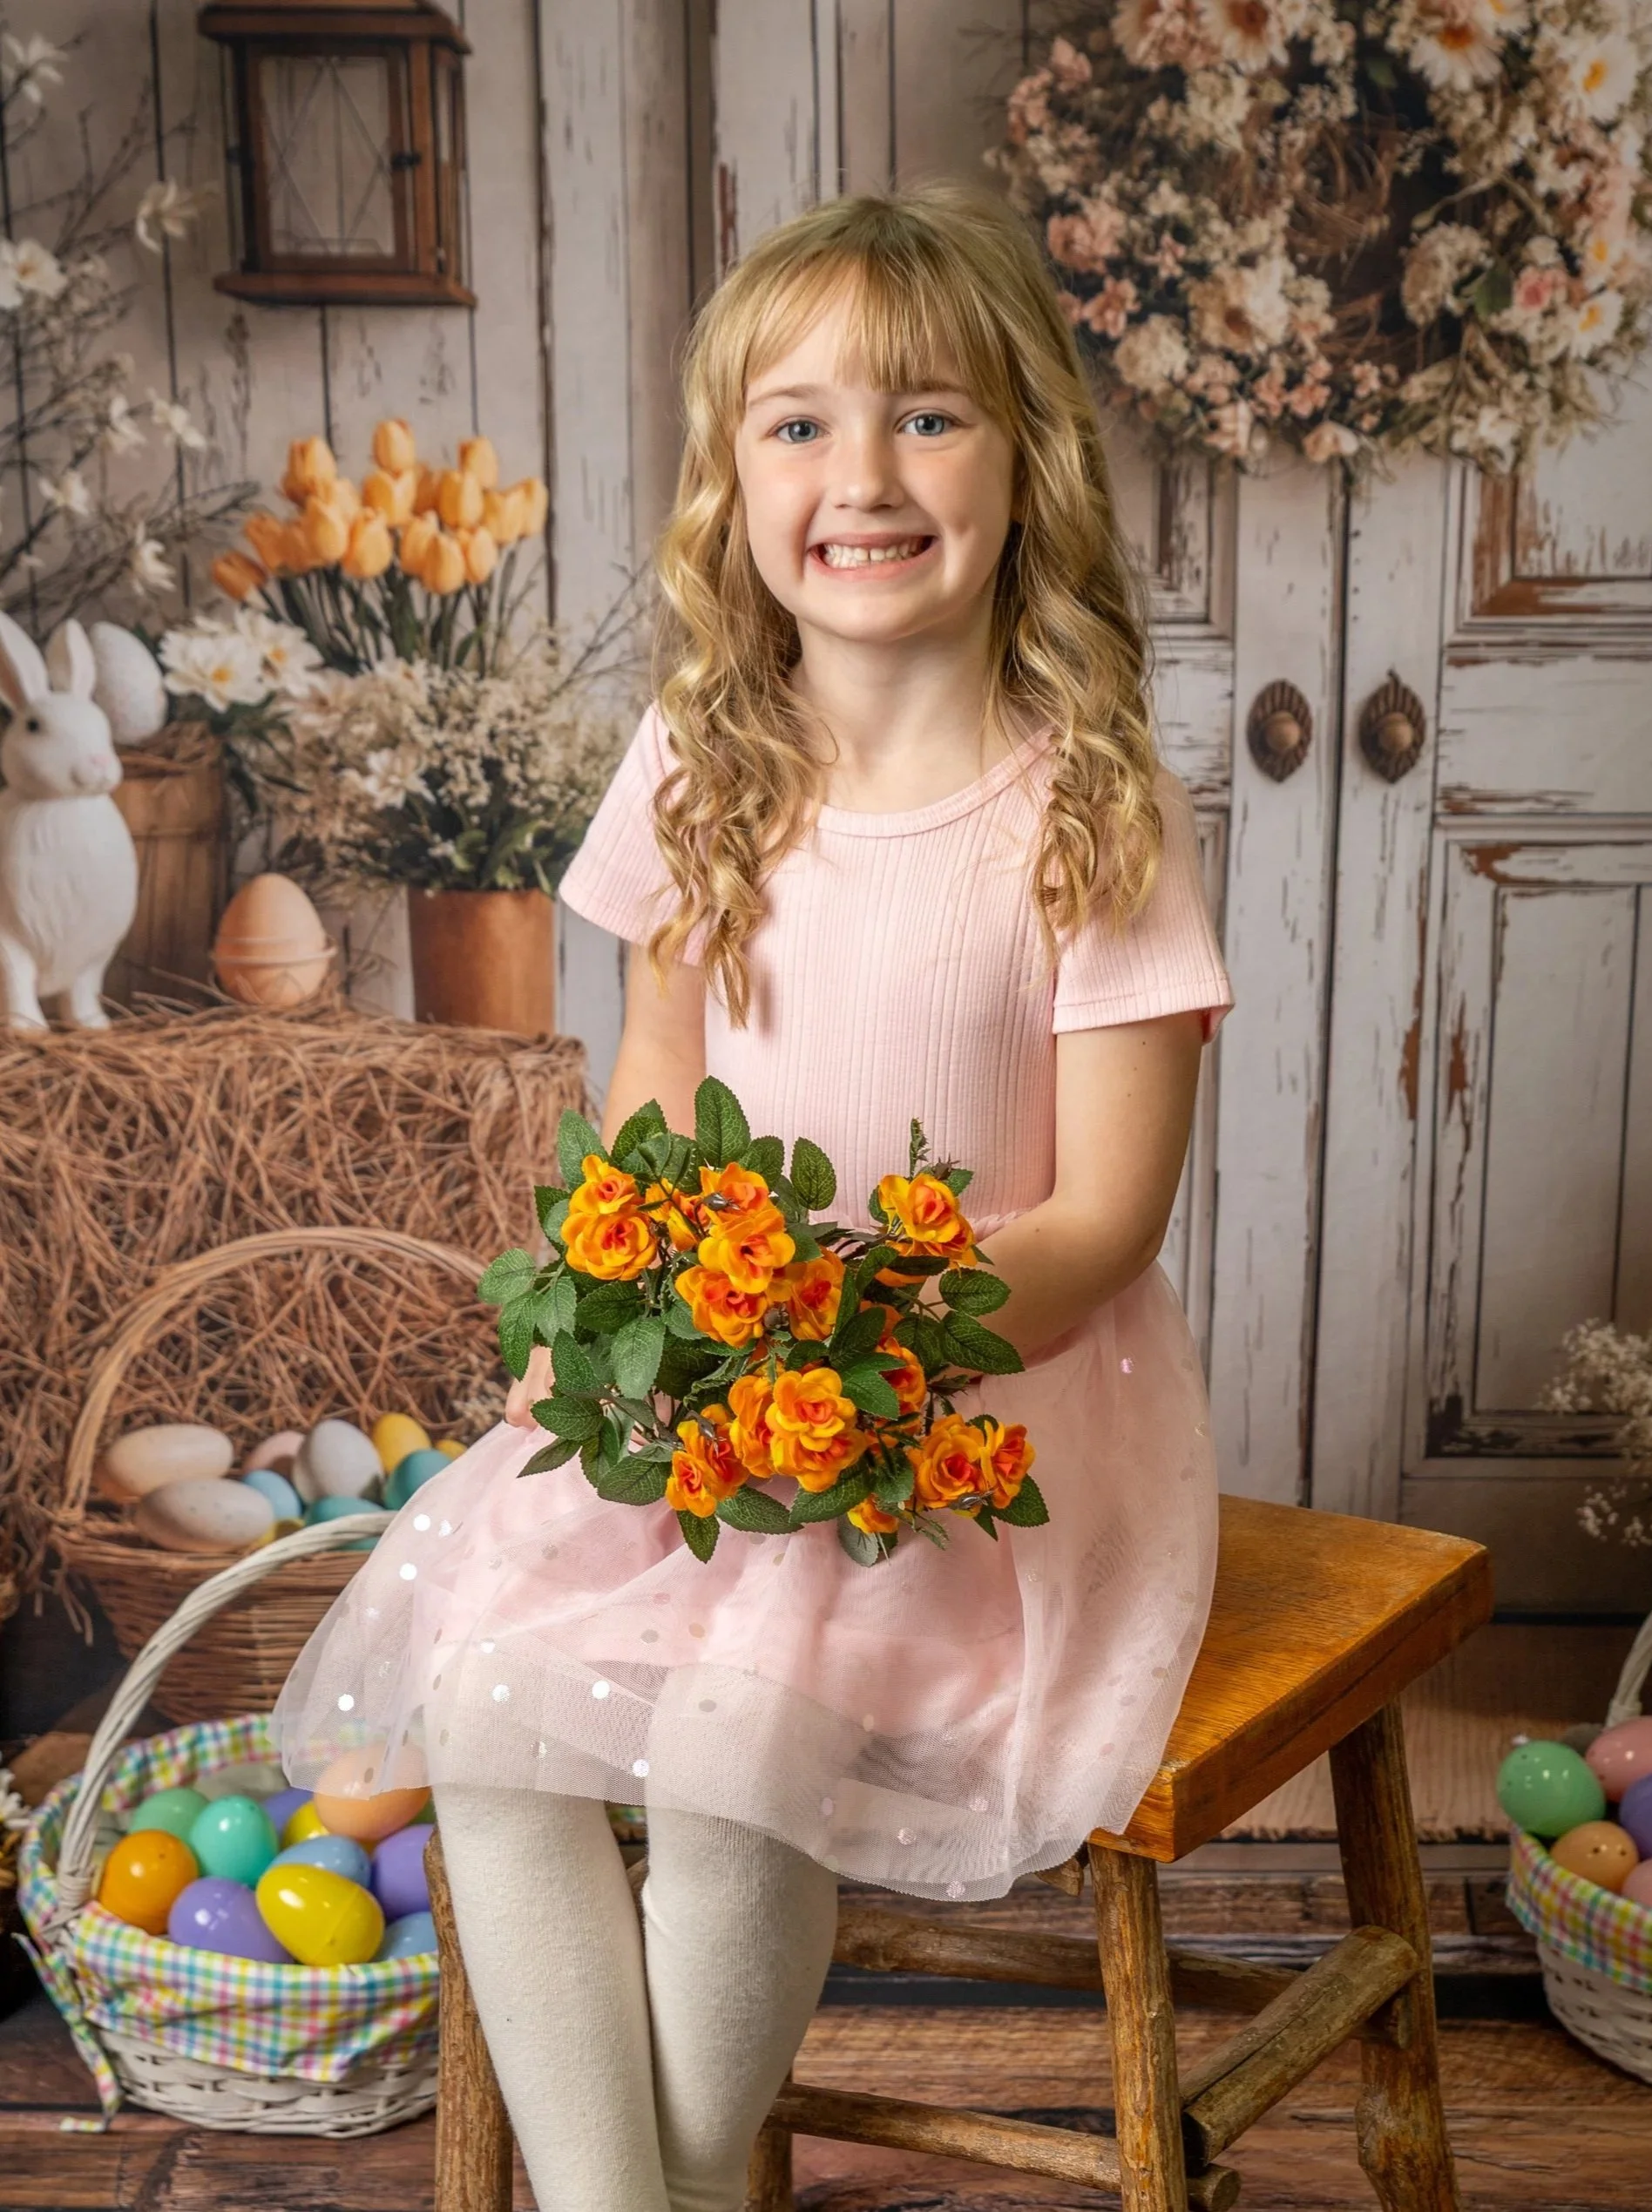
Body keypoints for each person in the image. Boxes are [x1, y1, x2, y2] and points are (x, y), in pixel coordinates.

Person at [273, 183, 1233, 2212]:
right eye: (799, 423)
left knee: (727, 1759)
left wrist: (850, 1352)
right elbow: (654, 1085)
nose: (860, 477)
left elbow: (1102, 1224)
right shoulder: (702, 764)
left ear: (1029, 462)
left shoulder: (1093, 814)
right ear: (732, 477)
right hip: (705, 1382)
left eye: (927, 417)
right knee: (491, 1717)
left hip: (970, 1416)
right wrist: (634, 1325)